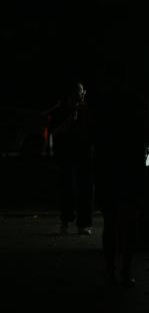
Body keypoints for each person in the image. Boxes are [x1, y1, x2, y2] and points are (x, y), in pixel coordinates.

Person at [93, 76, 149, 287]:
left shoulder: (101, 105)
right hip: (132, 169)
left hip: (106, 169)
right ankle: (126, 271)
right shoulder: (138, 103)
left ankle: (110, 270)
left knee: (110, 222)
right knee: (129, 222)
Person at [48, 80, 95, 235]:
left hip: (84, 154)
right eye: (81, 91)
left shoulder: (87, 110)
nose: (84, 94)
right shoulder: (60, 110)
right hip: (66, 154)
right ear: (73, 94)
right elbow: (53, 131)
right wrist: (69, 121)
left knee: (86, 189)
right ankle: (66, 220)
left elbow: (93, 131)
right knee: (67, 187)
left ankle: (84, 224)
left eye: (83, 91)